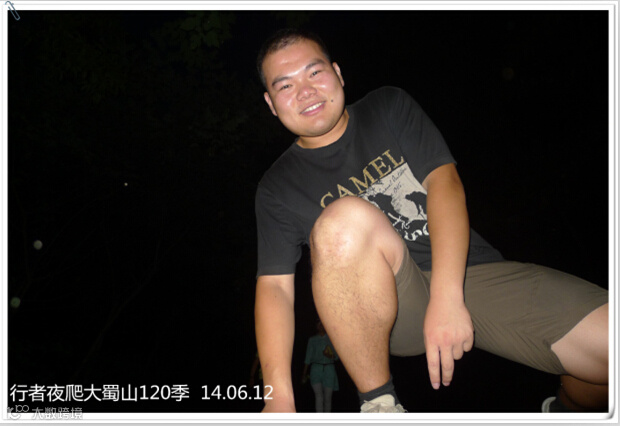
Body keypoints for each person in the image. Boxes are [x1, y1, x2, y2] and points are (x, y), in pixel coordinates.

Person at [253, 28, 608, 413]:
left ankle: (564, 412)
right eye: (285, 85)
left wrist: (447, 297)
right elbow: (275, 288)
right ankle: (379, 404)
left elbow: (444, 184)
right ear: (271, 103)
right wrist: (277, 397)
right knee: (342, 220)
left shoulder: (387, 106)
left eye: (314, 72)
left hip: (469, 273)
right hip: (389, 304)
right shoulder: (277, 187)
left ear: (337, 73)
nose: (305, 91)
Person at [302, 320, 339, 412]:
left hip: (329, 369)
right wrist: (304, 374)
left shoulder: (332, 339)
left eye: (323, 324)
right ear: (316, 326)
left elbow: (337, 357)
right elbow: (308, 358)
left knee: (327, 398)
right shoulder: (312, 340)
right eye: (319, 324)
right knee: (319, 396)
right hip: (316, 369)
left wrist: (330, 355)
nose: (321, 326)